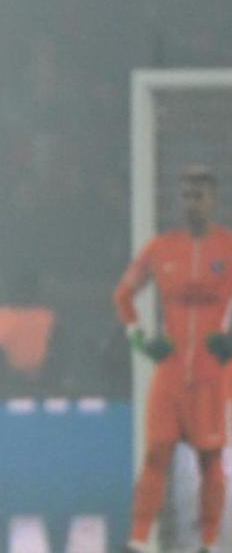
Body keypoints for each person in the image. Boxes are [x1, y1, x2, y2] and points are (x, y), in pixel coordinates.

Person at [114, 164, 232, 553]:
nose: (191, 203)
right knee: (156, 454)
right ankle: (139, 540)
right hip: (171, 371)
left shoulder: (227, 248)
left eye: (198, 195)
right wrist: (140, 339)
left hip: (212, 373)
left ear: (212, 198)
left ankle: (210, 543)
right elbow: (124, 295)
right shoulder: (161, 248)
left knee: (210, 460)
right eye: (185, 195)